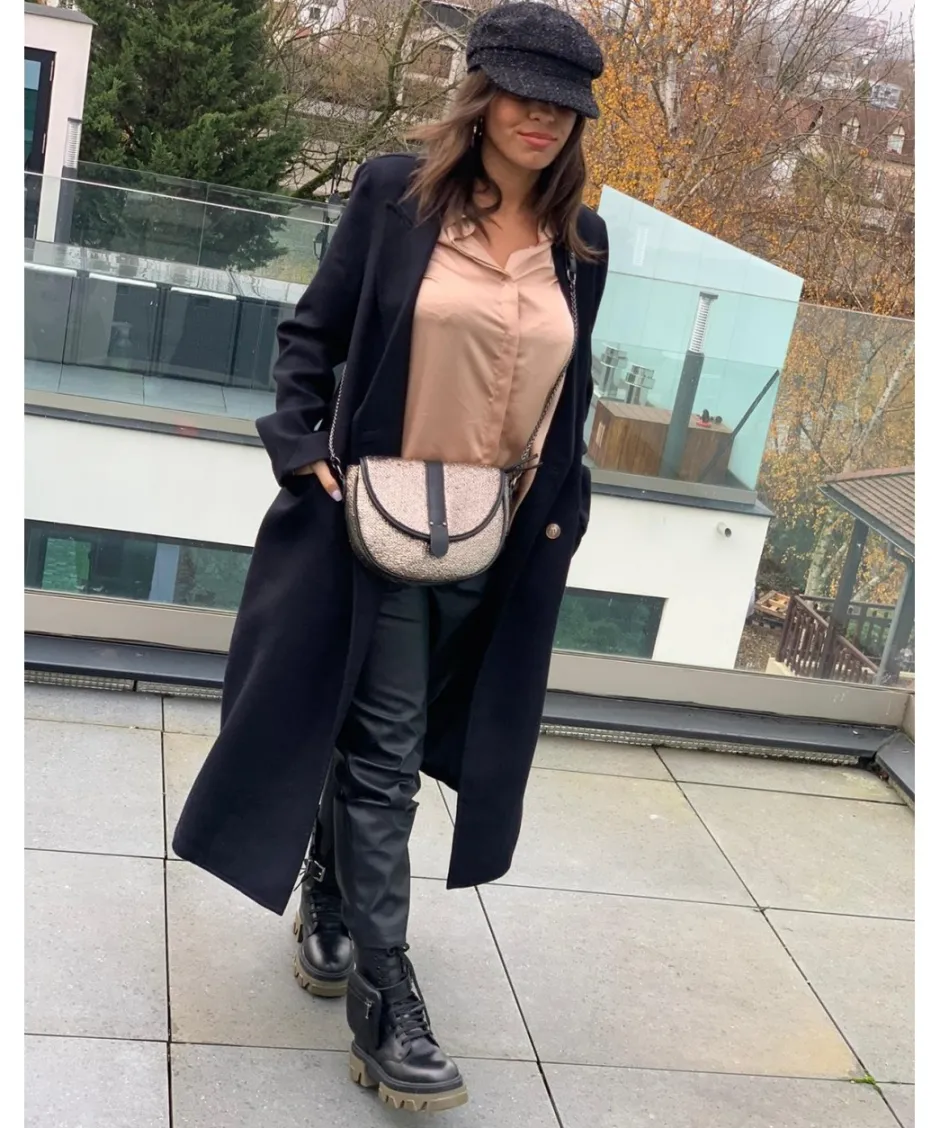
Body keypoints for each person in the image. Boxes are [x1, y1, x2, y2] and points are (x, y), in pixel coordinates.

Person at [173, 1, 607, 1113]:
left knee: (393, 739)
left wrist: (567, 501)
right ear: (483, 96)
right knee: (388, 754)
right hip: (378, 523)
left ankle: (329, 888)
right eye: (524, 95)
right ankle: (386, 999)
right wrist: (299, 449)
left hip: (501, 536)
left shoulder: (583, 242)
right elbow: (311, 337)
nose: (543, 119)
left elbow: (570, 388)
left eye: (564, 105)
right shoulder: (394, 197)